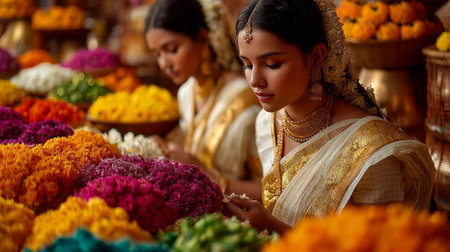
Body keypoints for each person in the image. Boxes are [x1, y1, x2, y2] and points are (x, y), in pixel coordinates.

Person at [223, 0, 436, 234]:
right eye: (246, 64)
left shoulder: (373, 154)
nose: (254, 80)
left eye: (272, 64)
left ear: (316, 57)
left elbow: (376, 246)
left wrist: (273, 228)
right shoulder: (267, 123)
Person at [144, 0, 263, 194]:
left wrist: (207, 174)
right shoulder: (186, 92)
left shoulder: (247, 100)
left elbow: (270, 193)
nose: (164, 64)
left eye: (172, 49)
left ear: (203, 38)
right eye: (157, 54)